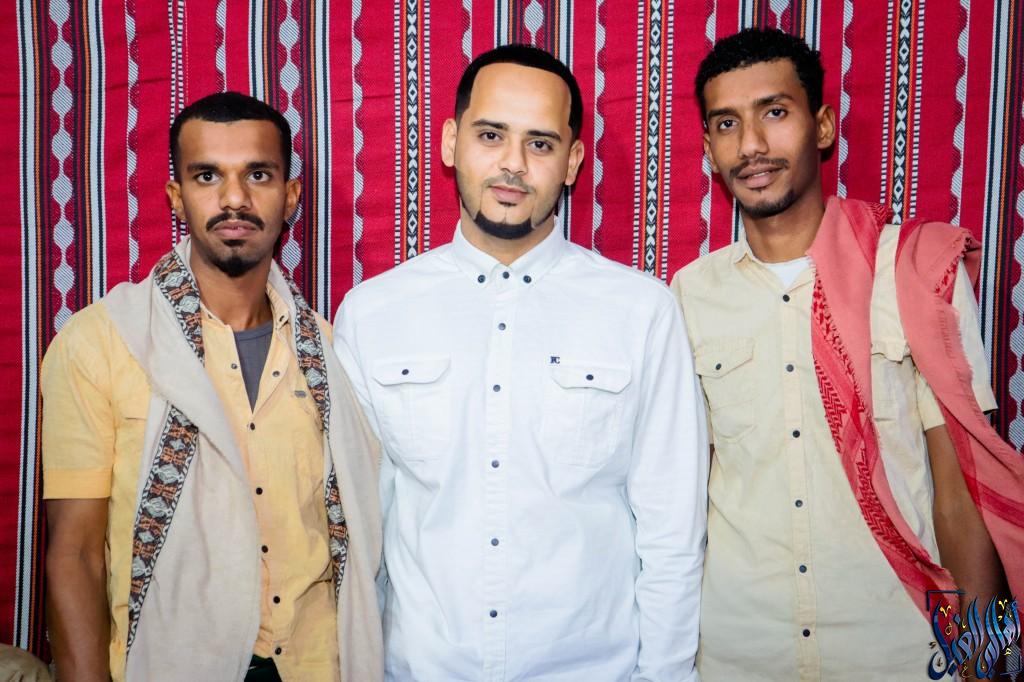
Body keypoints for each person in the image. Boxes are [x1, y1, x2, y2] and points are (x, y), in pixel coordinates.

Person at [334, 45, 708, 681]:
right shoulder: (373, 315)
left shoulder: (642, 312)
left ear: (572, 161)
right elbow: (357, 530)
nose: (513, 163)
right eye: (490, 135)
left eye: (540, 143)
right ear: (451, 143)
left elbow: (672, 534)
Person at [671, 28, 1024, 680]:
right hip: (742, 652)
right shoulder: (688, 296)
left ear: (824, 126)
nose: (751, 145)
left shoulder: (915, 272)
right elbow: (682, 488)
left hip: (899, 648)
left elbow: (960, 489)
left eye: (775, 112)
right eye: (727, 123)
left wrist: (978, 662)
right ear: (709, 150)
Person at [42, 91, 382, 682]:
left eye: (258, 175)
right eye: (207, 176)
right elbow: (74, 555)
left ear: (290, 196)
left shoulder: (332, 352)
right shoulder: (102, 342)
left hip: (318, 664)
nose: (234, 199)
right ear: (177, 197)